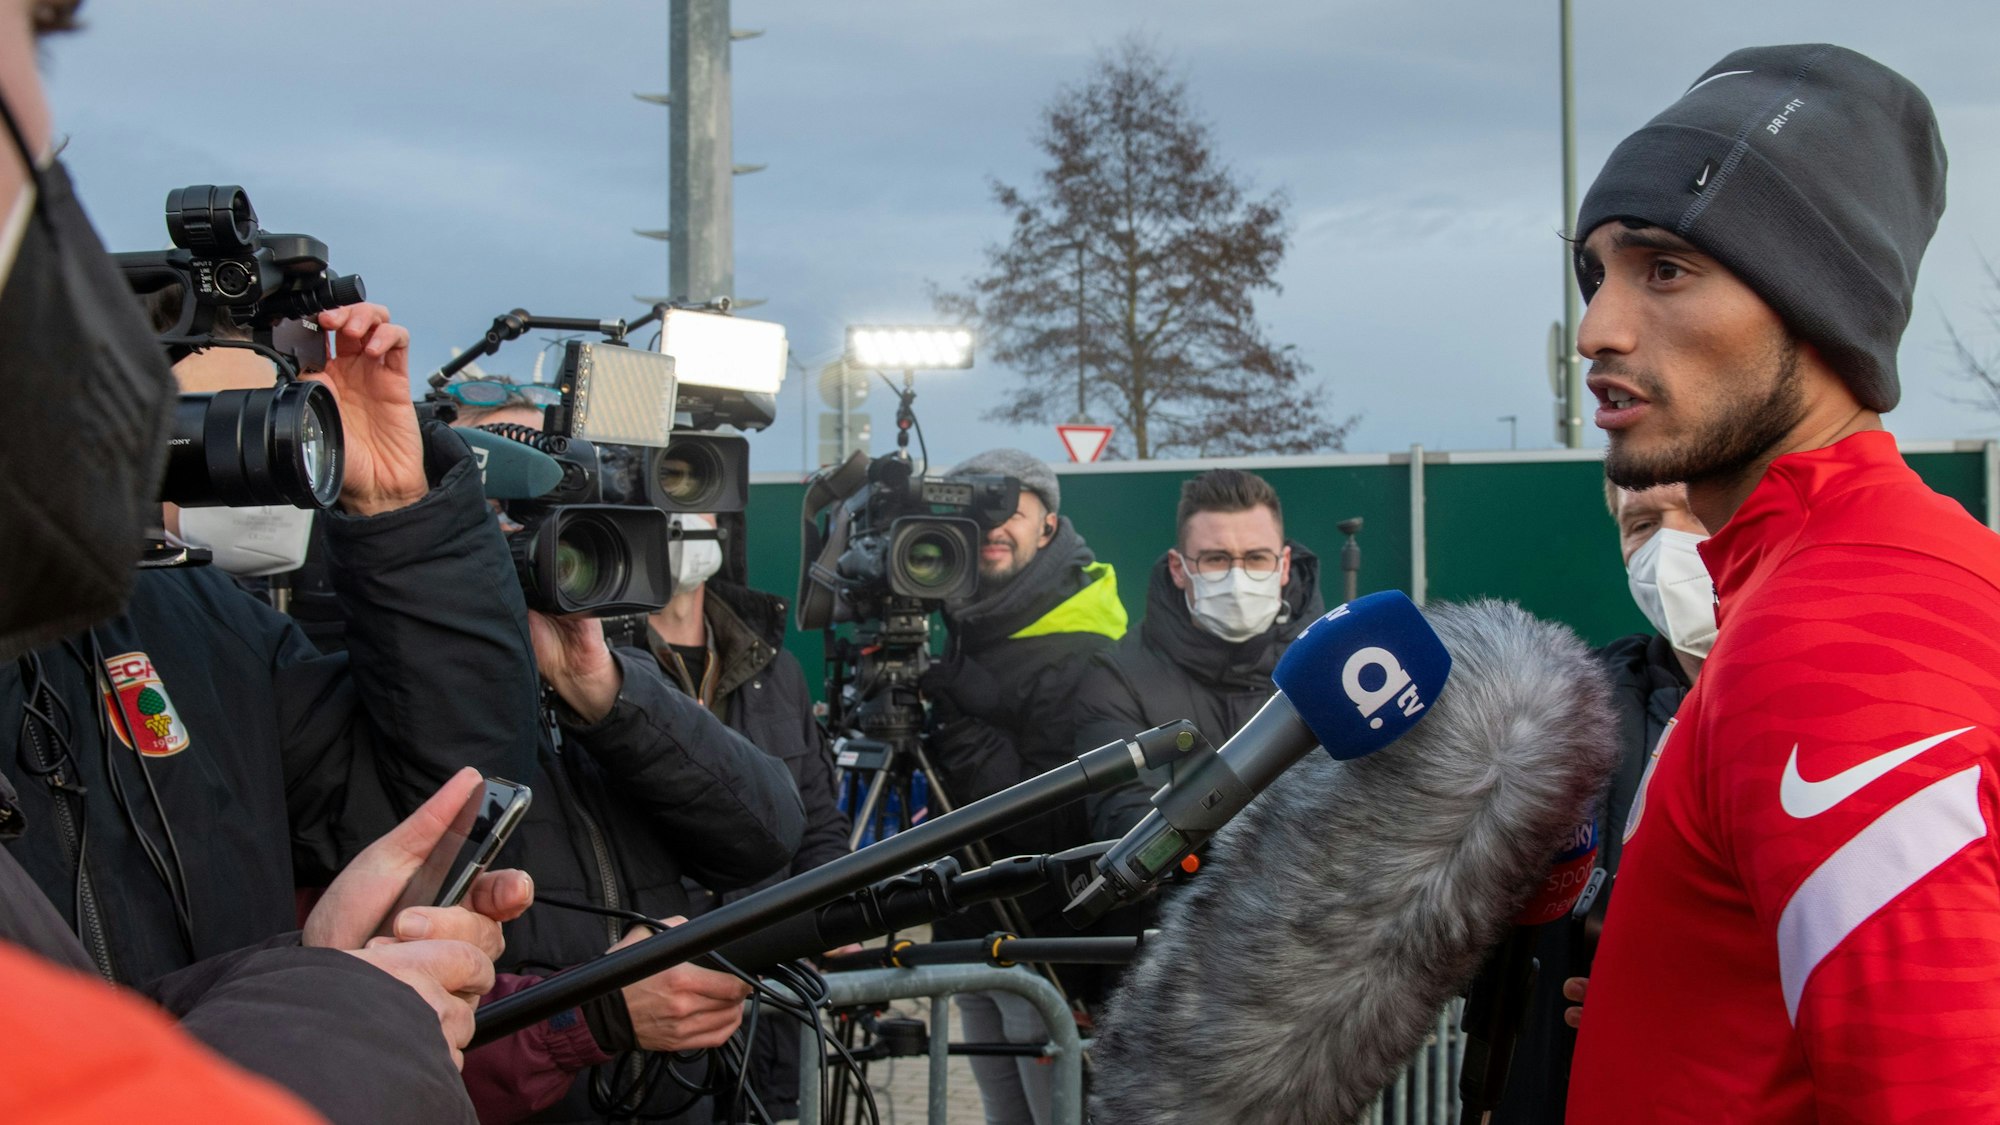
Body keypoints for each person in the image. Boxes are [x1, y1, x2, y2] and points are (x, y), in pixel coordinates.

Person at [1558, 45, 2000, 1122]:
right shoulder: (1807, 579)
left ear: (1818, 307)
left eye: (1663, 269)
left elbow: (1935, 1096)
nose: (1595, 331)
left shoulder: (1841, 629)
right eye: (1596, 273)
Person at [440, 400, 810, 1124]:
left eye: (559, 502)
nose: (532, 536)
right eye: (501, 500)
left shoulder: (621, 681)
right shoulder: (393, 697)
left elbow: (771, 831)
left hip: (676, 1094)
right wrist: (594, 1015)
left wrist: (601, 688)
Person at [920, 447, 1127, 1125]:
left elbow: (1053, 816)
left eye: (1008, 506)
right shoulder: (965, 624)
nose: (991, 525)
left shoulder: (1086, 640)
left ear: (1049, 524)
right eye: (975, 511)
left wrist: (961, 728)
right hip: (972, 924)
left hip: (1043, 939)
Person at [1491, 480, 1706, 1125]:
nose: (1671, 546)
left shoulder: (1849, 713)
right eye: (1641, 525)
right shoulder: (1564, 723)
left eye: (1695, 514)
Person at [631, 508, 851, 1123]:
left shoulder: (777, 670)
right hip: (655, 1002)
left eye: (694, 496)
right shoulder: (599, 669)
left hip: (770, 999)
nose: (681, 521)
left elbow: (819, 821)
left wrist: (820, 924)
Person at [1072, 468, 1323, 841]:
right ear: (1179, 568)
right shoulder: (1117, 679)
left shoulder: (1332, 666)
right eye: (1216, 560)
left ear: (1284, 566)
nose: (1237, 579)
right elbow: (1131, 829)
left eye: (1256, 558)